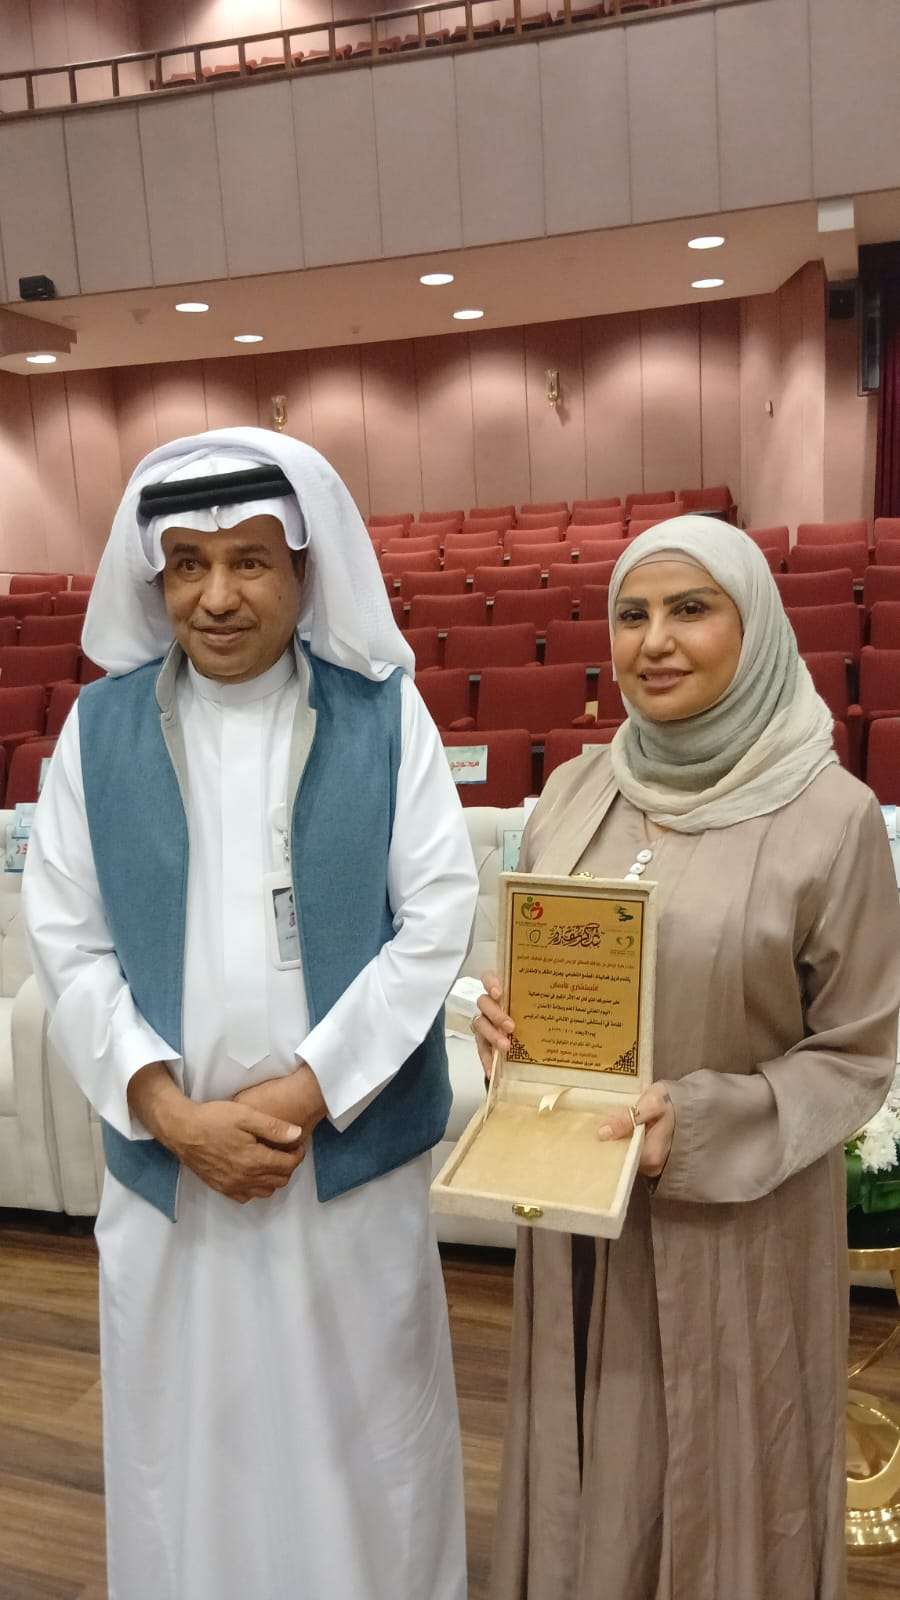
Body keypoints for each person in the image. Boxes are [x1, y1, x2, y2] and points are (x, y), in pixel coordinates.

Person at [23, 427, 479, 1600]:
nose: (216, 596)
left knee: (366, 1448)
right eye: (187, 563)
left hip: (341, 1165)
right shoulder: (97, 732)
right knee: (186, 1454)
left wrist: (304, 1095)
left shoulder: (385, 715)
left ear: (304, 568)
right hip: (173, 1176)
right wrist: (172, 1114)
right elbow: (66, 940)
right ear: (154, 575)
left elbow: (435, 920)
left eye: (249, 561)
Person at [473, 516, 900, 1600]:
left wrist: (698, 1124)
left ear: (754, 630)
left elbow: (858, 1052)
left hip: (738, 1228)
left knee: (727, 1483)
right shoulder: (576, 791)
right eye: (632, 614)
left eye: (691, 609)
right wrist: (506, 1028)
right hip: (575, 1214)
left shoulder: (833, 816)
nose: (654, 641)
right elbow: (542, 961)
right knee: (588, 1481)